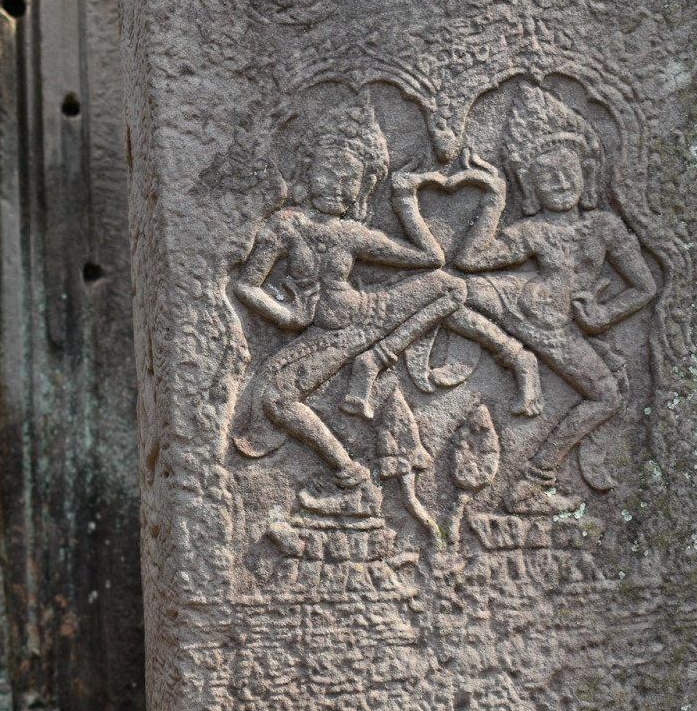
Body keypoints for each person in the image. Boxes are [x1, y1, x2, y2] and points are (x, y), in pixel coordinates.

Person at [230, 100, 540, 496]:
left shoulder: (351, 233)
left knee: (450, 286)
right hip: (329, 334)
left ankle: (375, 361)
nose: (337, 187)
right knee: (275, 399)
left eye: (350, 181)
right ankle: (347, 469)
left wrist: (405, 200)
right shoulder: (286, 226)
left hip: (369, 314)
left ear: (361, 188)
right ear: (307, 172)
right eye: (329, 173)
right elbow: (247, 285)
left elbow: (430, 259)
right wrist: (287, 316)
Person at [444, 81, 657, 515]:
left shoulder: (605, 227)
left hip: (561, 328)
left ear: (586, 175)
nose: (560, 183)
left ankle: (533, 480)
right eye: (547, 177)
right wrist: (495, 197)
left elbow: (646, 286)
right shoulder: (534, 230)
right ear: (532, 187)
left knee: (607, 395)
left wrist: (603, 315)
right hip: (520, 304)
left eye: (568, 173)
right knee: (450, 292)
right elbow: (469, 260)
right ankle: (516, 358)